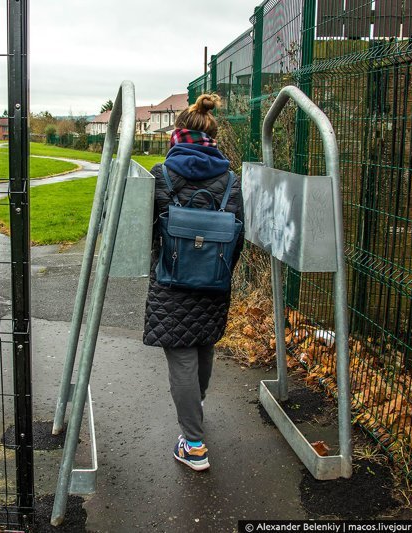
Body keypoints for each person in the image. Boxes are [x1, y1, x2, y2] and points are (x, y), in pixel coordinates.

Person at [143, 93, 245, 471]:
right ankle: (196, 409)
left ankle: (194, 445)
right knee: (203, 342)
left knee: (181, 354)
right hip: (215, 280)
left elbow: (144, 229)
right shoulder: (230, 178)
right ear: (212, 137)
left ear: (177, 133)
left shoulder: (162, 174)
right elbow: (239, 233)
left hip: (171, 281)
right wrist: (220, 271)